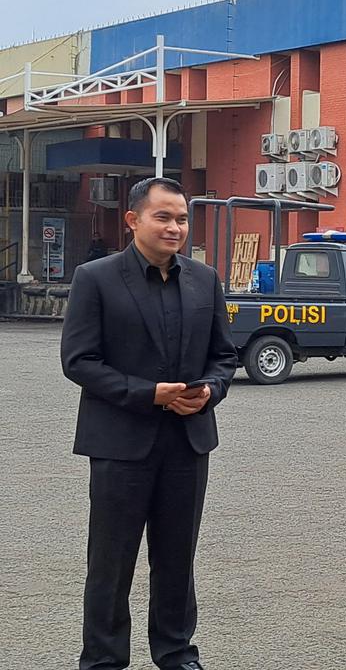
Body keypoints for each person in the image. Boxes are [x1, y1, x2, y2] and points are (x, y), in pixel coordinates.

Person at [60, 177, 238, 670]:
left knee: (177, 559)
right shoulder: (94, 277)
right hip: (120, 443)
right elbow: (79, 361)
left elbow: (224, 356)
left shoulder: (205, 279)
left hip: (188, 440)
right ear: (133, 220)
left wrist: (208, 392)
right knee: (111, 564)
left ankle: (177, 653)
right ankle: (103, 659)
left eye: (182, 218)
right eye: (163, 217)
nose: (175, 227)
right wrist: (148, 395)